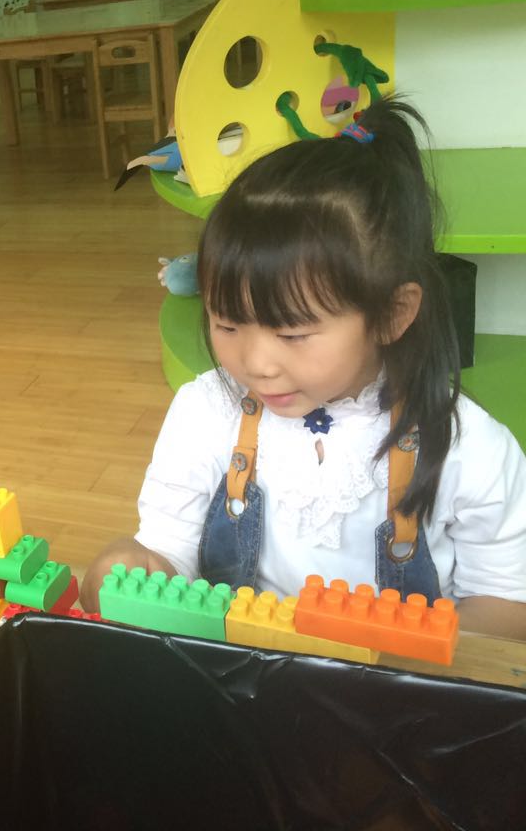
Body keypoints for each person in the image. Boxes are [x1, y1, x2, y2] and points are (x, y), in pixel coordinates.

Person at [79, 99, 526, 642]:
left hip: (395, 687)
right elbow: (169, 550)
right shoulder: (206, 413)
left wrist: (397, 649)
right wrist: (133, 568)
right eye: (227, 324)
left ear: (393, 314)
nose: (256, 363)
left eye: (292, 334)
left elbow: (506, 609)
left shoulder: (467, 446)